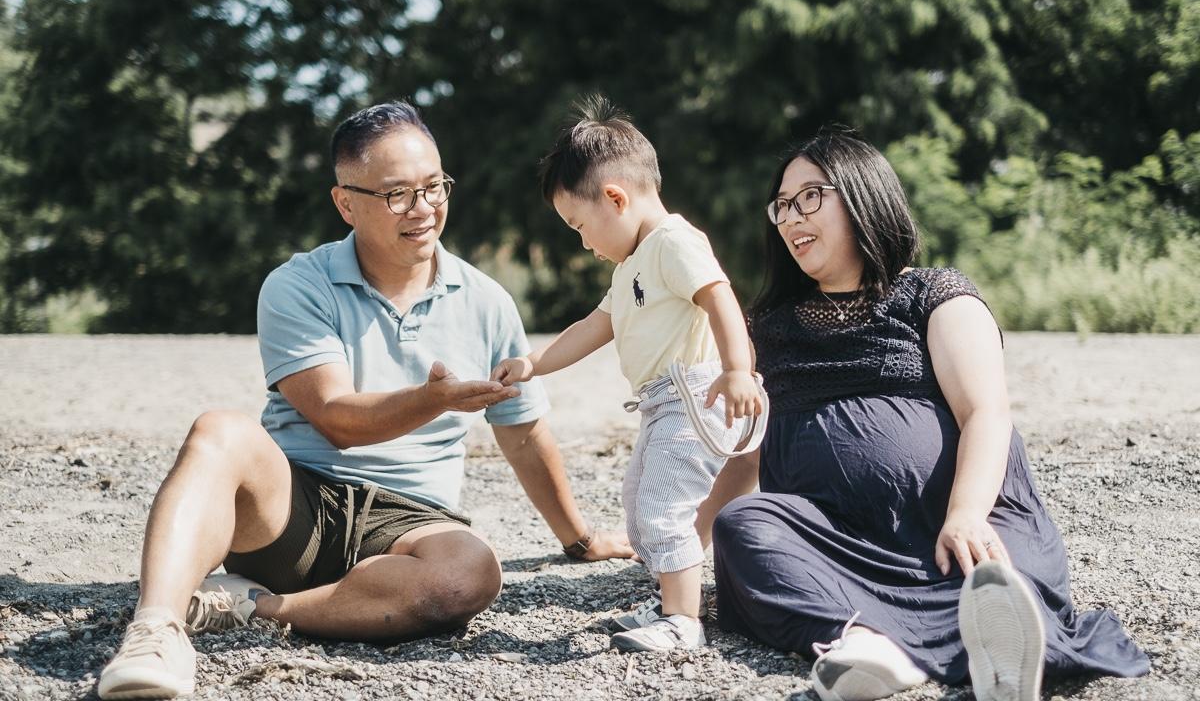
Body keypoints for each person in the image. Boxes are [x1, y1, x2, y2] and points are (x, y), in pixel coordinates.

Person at [97, 101, 632, 700]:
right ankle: (156, 631)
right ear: (345, 203)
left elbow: (523, 433)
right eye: (398, 194)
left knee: (470, 572)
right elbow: (334, 418)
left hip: (411, 520)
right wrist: (433, 400)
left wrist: (580, 539)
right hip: (297, 503)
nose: (424, 208)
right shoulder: (297, 284)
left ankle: (255, 607)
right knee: (218, 430)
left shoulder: (487, 302)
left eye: (434, 187)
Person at [711, 129, 1150, 701]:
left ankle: (983, 637)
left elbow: (987, 413)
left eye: (810, 196)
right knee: (743, 527)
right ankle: (879, 646)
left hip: (959, 527)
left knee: (992, 577)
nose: (792, 217)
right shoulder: (768, 327)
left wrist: (965, 516)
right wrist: (675, 545)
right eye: (783, 206)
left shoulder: (932, 294)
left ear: (864, 197)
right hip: (840, 543)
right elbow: (749, 451)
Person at [491, 96, 766, 653]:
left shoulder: (672, 242)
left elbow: (720, 298)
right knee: (640, 513)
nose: (583, 243)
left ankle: (683, 622)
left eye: (580, 225)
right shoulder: (631, 266)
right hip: (662, 404)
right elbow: (594, 326)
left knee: (665, 509)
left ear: (614, 198)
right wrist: (532, 364)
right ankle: (671, 596)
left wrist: (740, 369)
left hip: (695, 394)